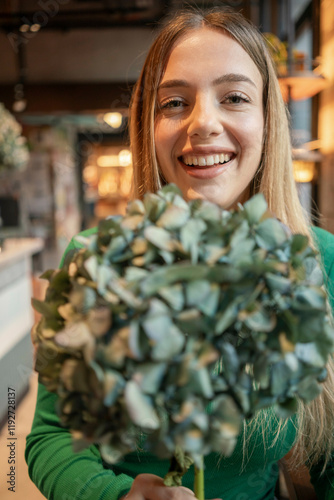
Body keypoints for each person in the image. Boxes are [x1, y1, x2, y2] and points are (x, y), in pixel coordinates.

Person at [25, 7, 334, 500]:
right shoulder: (94, 259)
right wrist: (116, 495)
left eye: (234, 97)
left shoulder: (322, 262)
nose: (203, 123)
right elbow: (52, 438)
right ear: (149, 124)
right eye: (174, 103)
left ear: (268, 120)